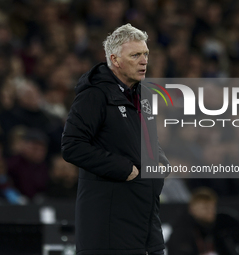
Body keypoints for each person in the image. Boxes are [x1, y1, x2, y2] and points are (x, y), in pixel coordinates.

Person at [61, 24, 169, 255]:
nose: (143, 61)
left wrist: (161, 163)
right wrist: (123, 168)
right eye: (135, 55)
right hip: (109, 228)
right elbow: (72, 146)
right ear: (115, 60)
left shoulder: (144, 93)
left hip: (147, 221)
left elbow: (148, 140)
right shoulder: (94, 94)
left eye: (146, 54)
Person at [166, 188, 239, 255]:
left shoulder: (223, 225)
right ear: (192, 210)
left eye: (212, 207)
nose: (210, 212)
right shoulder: (181, 232)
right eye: (205, 208)